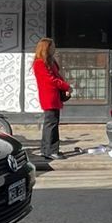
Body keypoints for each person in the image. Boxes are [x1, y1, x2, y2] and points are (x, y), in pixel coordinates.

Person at [32, 37, 72, 167]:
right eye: (52, 46)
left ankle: (46, 149)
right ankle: (51, 150)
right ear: (46, 48)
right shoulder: (40, 63)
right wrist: (65, 86)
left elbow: (57, 76)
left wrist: (65, 86)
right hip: (48, 96)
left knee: (51, 123)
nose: (54, 48)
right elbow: (50, 80)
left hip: (54, 95)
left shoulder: (50, 61)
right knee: (51, 124)